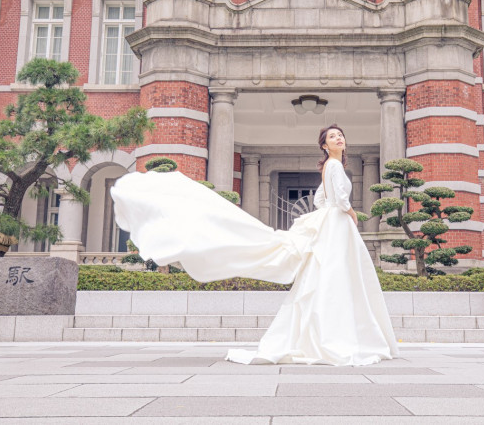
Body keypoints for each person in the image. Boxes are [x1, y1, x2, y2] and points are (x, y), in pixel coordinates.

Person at [111, 124, 398, 366]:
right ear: (324, 146)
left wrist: (336, 212)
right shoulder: (334, 166)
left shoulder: (330, 167)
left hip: (332, 226)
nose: (339, 139)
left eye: (340, 135)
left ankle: (324, 336)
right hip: (337, 226)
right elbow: (336, 201)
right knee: (337, 279)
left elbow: (321, 200)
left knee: (326, 279)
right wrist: (350, 213)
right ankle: (342, 336)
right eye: (332, 136)